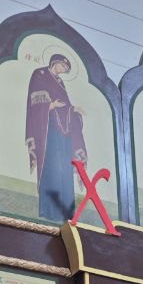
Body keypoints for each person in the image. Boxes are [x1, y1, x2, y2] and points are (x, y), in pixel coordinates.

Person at [25, 53, 87, 223]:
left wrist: (73, 110)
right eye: (62, 67)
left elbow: (65, 106)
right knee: (52, 166)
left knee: (65, 167)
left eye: (66, 69)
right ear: (55, 62)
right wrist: (51, 105)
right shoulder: (40, 74)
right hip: (48, 131)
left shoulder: (60, 82)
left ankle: (66, 213)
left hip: (63, 134)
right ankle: (49, 210)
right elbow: (34, 101)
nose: (63, 70)